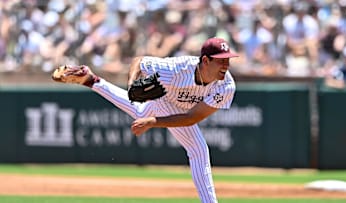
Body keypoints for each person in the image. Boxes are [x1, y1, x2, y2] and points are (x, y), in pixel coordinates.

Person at [52, 37, 238, 203]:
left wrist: (153, 121)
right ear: (205, 60)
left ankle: (91, 80)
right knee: (198, 148)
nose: (226, 65)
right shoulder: (176, 69)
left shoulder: (226, 86)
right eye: (221, 60)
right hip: (164, 96)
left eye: (228, 59)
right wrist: (132, 84)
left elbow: (191, 118)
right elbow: (139, 61)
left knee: (141, 113)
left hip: (182, 109)